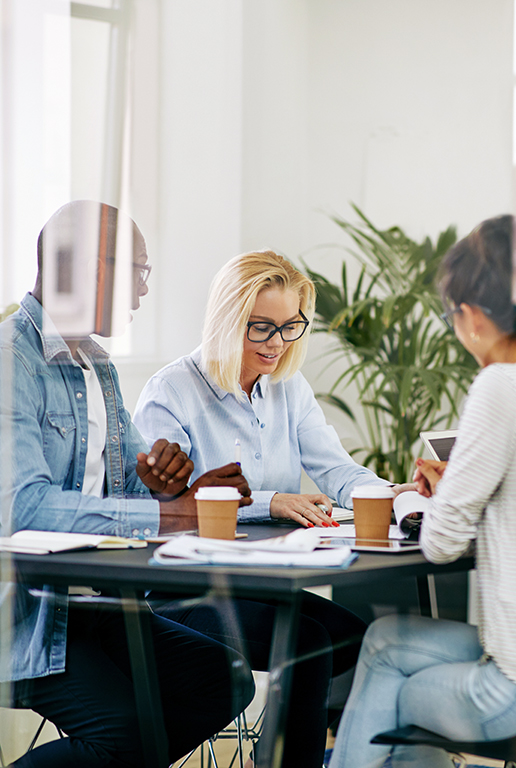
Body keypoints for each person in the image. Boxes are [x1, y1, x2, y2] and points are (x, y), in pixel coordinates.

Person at [328, 215, 516, 768]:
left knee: (390, 685)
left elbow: (442, 543)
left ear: (469, 317)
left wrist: (410, 500)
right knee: (384, 643)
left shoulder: (503, 384)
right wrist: (470, 490)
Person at [0, 201, 255, 767]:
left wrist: (178, 487)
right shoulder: (9, 361)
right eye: (137, 271)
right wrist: (170, 515)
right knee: (127, 733)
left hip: (96, 605)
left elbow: (140, 488)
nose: (142, 291)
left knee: (223, 681)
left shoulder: (98, 365)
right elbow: (22, 509)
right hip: (24, 615)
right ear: (86, 267)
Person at [133, 250, 393, 768]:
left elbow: (338, 470)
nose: (277, 344)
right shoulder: (171, 391)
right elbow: (164, 507)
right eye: (262, 328)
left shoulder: (287, 388)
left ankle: (272, 756)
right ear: (229, 321)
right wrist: (273, 501)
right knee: (309, 643)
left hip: (263, 582)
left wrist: (400, 495)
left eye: (290, 326)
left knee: (352, 640)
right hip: (181, 589)